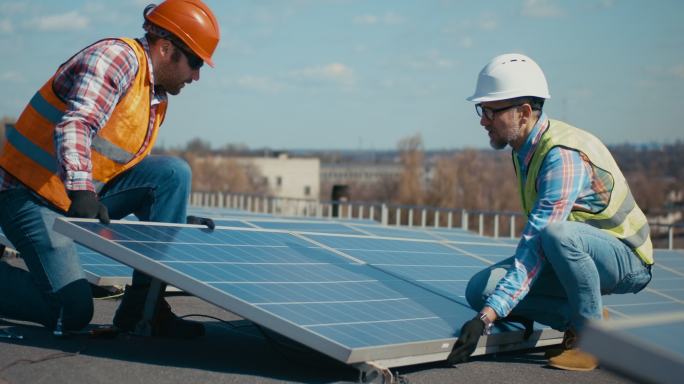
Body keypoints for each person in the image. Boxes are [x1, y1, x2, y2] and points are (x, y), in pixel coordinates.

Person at [0, 0, 220, 338]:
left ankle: (142, 310)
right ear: (165, 48)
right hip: (27, 193)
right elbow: (77, 124)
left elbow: (117, 163)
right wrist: (82, 191)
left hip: (72, 197)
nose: (196, 75)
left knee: (173, 174)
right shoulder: (116, 58)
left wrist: (168, 219)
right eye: (194, 62)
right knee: (71, 310)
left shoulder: (154, 95)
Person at [447, 53, 654, 371]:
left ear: (524, 113)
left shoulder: (560, 157)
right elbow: (536, 243)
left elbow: (537, 242)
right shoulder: (523, 150)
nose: (483, 120)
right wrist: (487, 311)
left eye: (490, 111)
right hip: (574, 249)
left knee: (556, 235)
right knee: (481, 290)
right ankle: (587, 317)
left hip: (625, 258)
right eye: (482, 110)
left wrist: (486, 319)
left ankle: (591, 339)